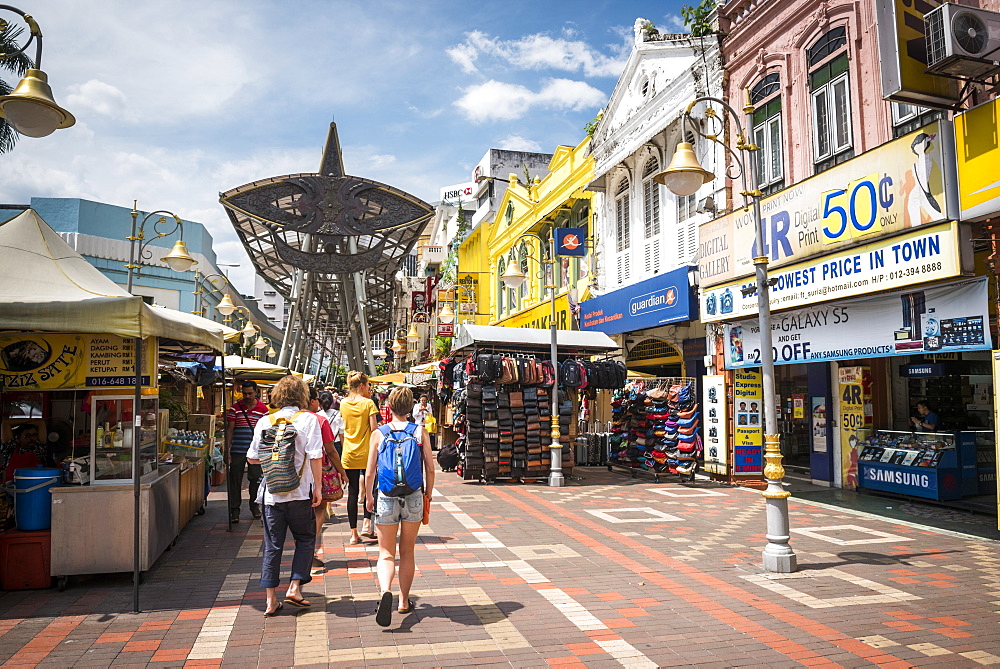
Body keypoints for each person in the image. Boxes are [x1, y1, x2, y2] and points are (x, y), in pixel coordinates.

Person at [246, 375, 324, 617]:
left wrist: (273, 459)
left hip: (271, 494)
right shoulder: (309, 420)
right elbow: (315, 456)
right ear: (302, 395)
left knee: (272, 545)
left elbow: (252, 458)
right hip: (300, 493)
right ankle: (294, 587)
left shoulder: (264, 421)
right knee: (305, 538)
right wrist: (318, 488)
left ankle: (270, 601)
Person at [365, 386, 434, 627]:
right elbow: (430, 467)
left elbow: (370, 471)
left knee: (385, 553)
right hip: (414, 494)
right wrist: (429, 495)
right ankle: (404, 601)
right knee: (408, 551)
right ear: (410, 408)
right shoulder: (419, 432)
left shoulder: (379, 433)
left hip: (386, 495)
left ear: (390, 407)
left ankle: (386, 590)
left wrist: (368, 497)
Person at [308, 388, 348, 568]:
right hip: (318, 470)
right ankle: (309, 551)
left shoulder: (283, 418)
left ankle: (304, 552)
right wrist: (342, 472)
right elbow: (330, 450)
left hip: (293, 474)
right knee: (319, 509)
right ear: (310, 401)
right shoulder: (320, 420)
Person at [340, 371, 380, 544]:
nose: (369, 388)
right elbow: (374, 429)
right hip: (367, 453)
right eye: (369, 385)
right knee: (370, 490)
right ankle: (367, 524)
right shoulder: (368, 403)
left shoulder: (343, 403)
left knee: (353, 492)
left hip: (348, 453)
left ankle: (353, 534)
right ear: (362, 385)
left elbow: (343, 429)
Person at [225, 380, 270, 523]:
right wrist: (227, 450)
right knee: (235, 480)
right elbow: (230, 430)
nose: (247, 396)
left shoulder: (263, 410)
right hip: (238, 450)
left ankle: (254, 505)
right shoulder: (235, 408)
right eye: (244, 393)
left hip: (256, 452)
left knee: (255, 479)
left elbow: (266, 432)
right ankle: (234, 510)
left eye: (250, 393)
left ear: (256, 392)